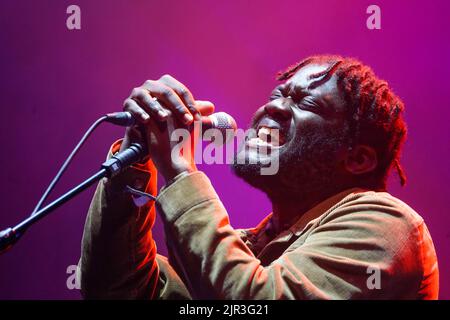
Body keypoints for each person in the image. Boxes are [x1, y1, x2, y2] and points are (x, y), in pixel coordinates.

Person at [78, 55, 439, 299]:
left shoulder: (387, 223)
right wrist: (134, 166)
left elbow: (255, 299)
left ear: (358, 159)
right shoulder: (248, 247)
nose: (273, 106)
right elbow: (117, 288)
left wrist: (179, 170)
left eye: (307, 104)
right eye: (277, 94)